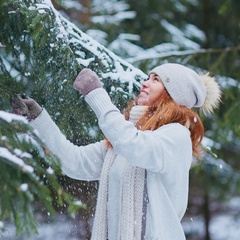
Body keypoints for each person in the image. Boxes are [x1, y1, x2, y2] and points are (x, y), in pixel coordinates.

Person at [12, 63, 222, 240]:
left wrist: (96, 94)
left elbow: (132, 144)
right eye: (148, 77)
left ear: (174, 94)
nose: (145, 83)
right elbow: (74, 162)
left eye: (156, 80)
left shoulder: (175, 137)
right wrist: (39, 120)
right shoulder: (122, 143)